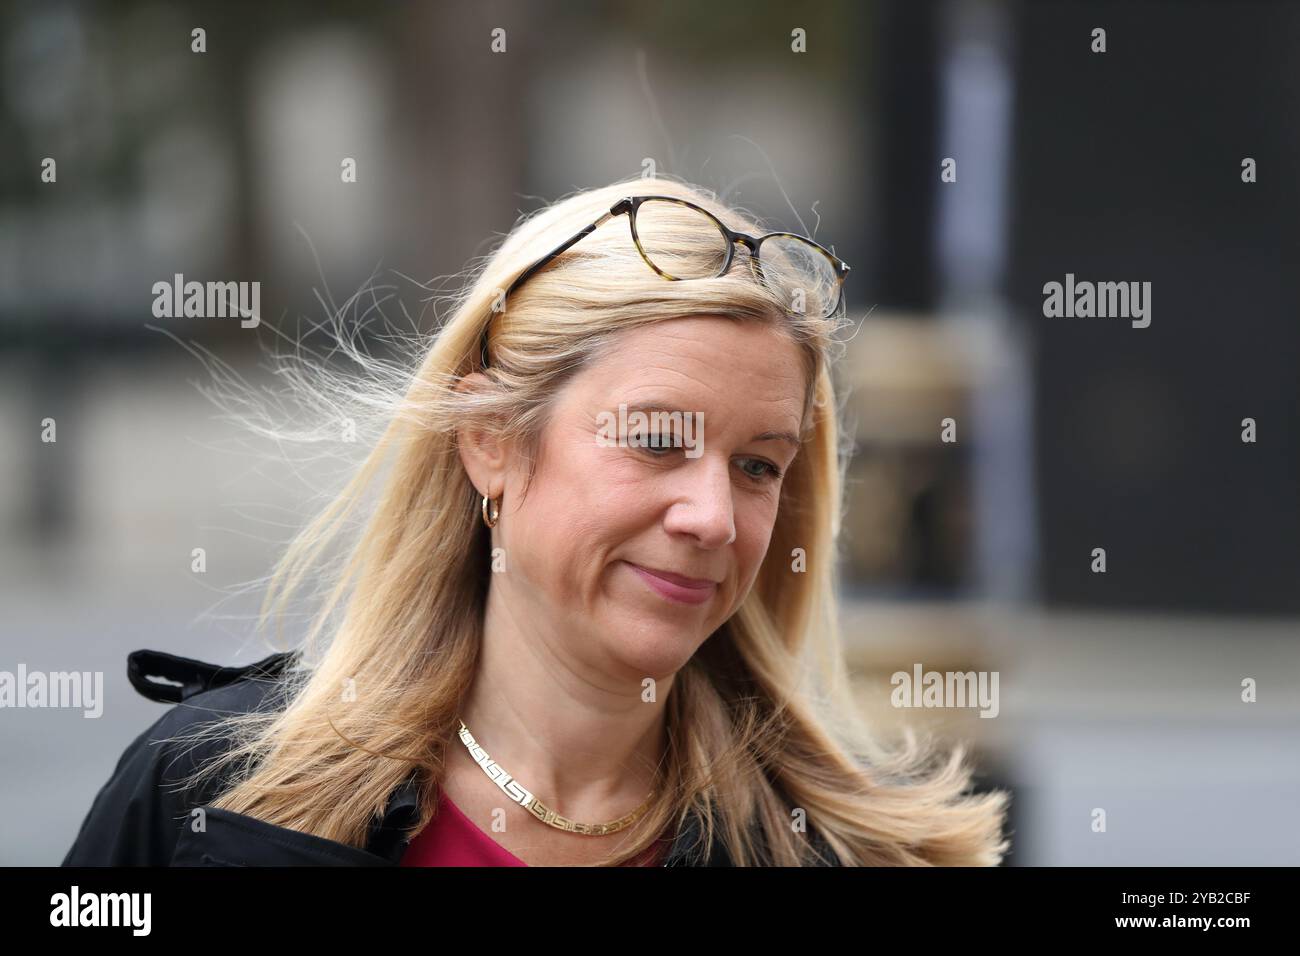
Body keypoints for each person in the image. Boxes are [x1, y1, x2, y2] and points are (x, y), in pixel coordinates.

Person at [62, 175, 1010, 866]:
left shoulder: (843, 856)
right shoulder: (213, 793)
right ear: (492, 441)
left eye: (758, 466)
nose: (713, 516)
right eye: (656, 440)